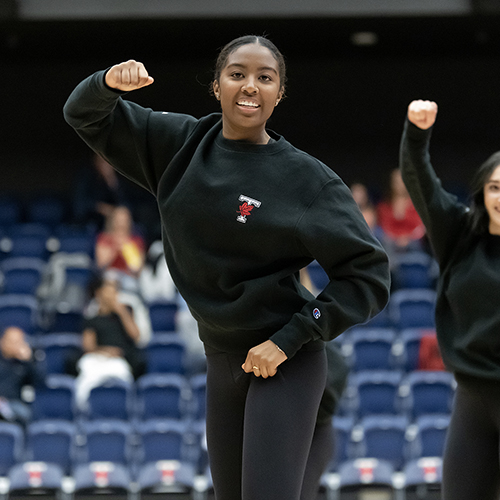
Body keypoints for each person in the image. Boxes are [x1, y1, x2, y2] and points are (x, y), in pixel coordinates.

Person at [64, 35, 390, 500]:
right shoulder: (179, 144)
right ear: (217, 87)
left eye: (265, 77)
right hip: (221, 358)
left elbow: (369, 275)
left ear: (280, 93)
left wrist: (289, 338)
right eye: (237, 74)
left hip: (285, 360)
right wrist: (107, 84)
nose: (250, 86)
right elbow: (82, 113)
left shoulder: (306, 180)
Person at [400, 99, 500, 500]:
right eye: (495, 187)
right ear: (482, 191)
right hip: (472, 396)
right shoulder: (459, 235)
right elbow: (420, 181)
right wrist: (416, 134)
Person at [75, 275, 145, 410]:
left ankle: (127, 410)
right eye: (109, 290)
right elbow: (88, 346)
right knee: (85, 381)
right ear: (99, 293)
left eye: (115, 290)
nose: (113, 293)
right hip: (96, 360)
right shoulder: (92, 319)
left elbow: (136, 336)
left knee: (123, 377)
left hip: (119, 361)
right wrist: (106, 352)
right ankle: (82, 412)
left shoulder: (125, 313)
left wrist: (122, 312)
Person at [95, 205, 146, 293]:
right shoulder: (104, 239)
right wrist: (115, 249)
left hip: (130, 278)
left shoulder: (136, 240)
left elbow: (138, 268)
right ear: (113, 220)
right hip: (109, 278)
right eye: (118, 219)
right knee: (111, 276)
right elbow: (101, 265)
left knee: (134, 283)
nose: (121, 223)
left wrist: (127, 250)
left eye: (124, 219)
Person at [376, 168, 426, 256]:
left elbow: (420, 227)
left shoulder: (417, 204)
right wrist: (397, 238)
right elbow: (385, 225)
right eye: (396, 181)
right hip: (391, 242)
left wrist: (407, 238)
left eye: (402, 180)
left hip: (413, 242)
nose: (399, 184)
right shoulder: (385, 205)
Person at [0, 326, 44, 425]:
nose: (16, 345)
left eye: (19, 342)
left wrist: (29, 361)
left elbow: (41, 383)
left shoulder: (23, 364)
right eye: (12, 341)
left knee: (26, 414)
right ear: (2, 342)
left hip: (13, 404)